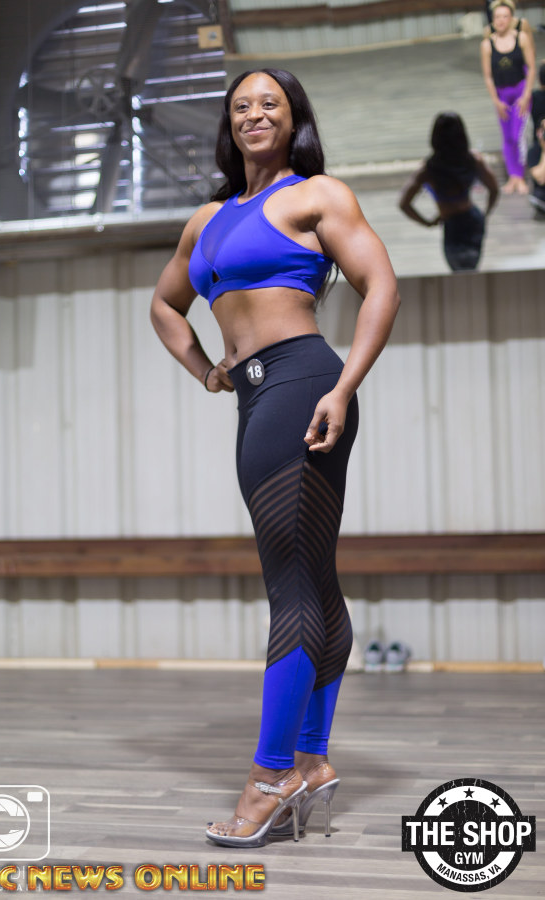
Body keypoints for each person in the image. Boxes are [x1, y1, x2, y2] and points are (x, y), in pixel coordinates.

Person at [150, 68, 400, 849]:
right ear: (229, 125)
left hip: (305, 383)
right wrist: (207, 371)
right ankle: (312, 762)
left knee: (290, 585)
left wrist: (345, 387)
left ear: (294, 122)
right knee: (313, 579)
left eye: (271, 104)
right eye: (242, 106)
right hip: (255, 396)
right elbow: (164, 304)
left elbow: (381, 286)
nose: (255, 113)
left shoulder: (316, 196)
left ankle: (269, 778)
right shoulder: (207, 219)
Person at [399, 112, 499, 271]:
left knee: (459, 274)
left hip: (451, 223)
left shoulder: (428, 169)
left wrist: (428, 222)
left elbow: (404, 203)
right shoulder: (473, 160)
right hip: (473, 219)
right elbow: (494, 189)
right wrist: (485, 214)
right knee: (471, 272)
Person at [481, 0, 536, 194]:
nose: (501, 20)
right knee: (507, 137)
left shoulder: (521, 37)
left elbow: (531, 68)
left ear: (511, 18)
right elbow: (488, 76)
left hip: (520, 92)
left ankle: (520, 176)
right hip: (502, 95)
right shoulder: (487, 44)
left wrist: (526, 94)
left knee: (517, 134)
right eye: (497, 17)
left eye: (505, 16)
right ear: (492, 19)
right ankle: (513, 176)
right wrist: (496, 101)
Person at [528, 116, 545, 215]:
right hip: (542, 195)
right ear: (539, 132)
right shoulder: (534, 151)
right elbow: (541, 179)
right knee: (538, 195)